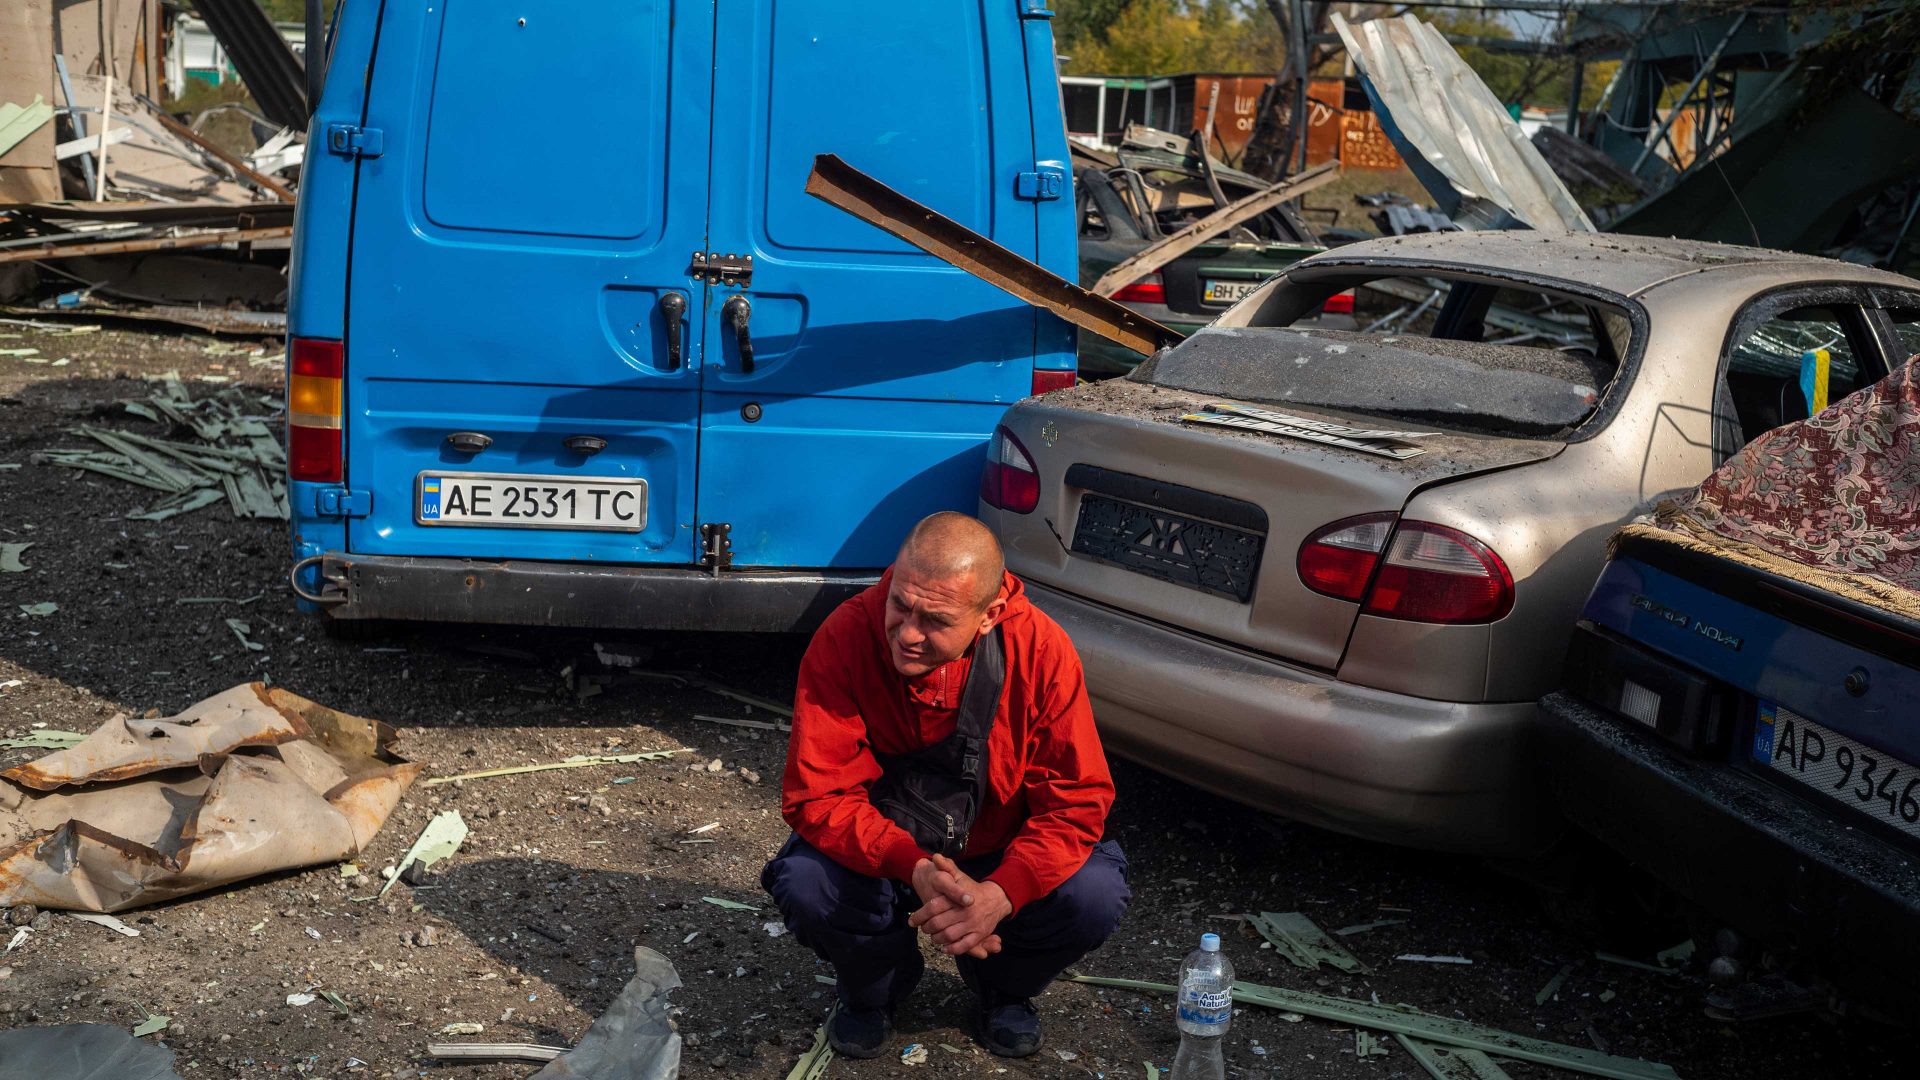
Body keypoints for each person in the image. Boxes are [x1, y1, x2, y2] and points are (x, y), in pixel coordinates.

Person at [761, 512, 1128, 1059]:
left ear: (989, 615)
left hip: (995, 856)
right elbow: (820, 795)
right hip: (889, 855)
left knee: (1094, 894)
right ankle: (877, 986)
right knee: (807, 883)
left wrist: (1002, 894)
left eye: (934, 619)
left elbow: (1075, 803)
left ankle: (1002, 989)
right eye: (900, 605)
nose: (907, 634)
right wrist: (912, 864)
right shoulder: (845, 635)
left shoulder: (1042, 652)